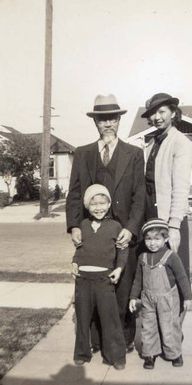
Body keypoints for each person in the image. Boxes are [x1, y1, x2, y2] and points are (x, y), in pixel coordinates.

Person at [66, 94, 146, 352]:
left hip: (123, 233)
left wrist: (131, 228)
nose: (108, 124)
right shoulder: (83, 154)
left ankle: (122, 341)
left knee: (122, 288)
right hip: (93, 234)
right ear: (96, 123)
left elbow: (139, 195)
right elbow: (75, 193)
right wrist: (75, 226)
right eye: (102, 119)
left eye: (112, 118)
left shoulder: (133, 154)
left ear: (119, 120)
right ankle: (97, 340)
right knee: (93, 285)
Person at [141, 93, 192, 292]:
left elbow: (180, 189)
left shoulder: (180, 142)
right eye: (153, 114)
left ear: (173, 113)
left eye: (162, 111)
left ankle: (175, 319)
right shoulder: (153, 142)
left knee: (174, 271)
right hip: (152, 215)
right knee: (155, 270)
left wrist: (174, 226)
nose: (157, 117)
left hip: (170, 219)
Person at [72, 184, 128, 369]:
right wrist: (74, 263)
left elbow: (122, 251)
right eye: (93, 203)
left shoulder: (115, 226)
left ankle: (116, 356)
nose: (98, 207)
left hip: (105, 280)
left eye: (102, 203)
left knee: (109, 319)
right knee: (83, 318)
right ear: (87, 206)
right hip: (83, 280)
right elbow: (79, 251)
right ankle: (81, 353)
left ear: (109, 204)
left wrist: (118, 269)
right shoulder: (83, 226)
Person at [129, 218, 192, 369]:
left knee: (169, 326)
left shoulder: (171, 256)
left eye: (157, 239)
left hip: (168, 299)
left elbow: (182, 278)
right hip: (147, 298)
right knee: (148, 326)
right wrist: (133, 297)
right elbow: (138, 279)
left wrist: (188, 298)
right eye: (148, 239)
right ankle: (150, 354)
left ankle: (174, 353)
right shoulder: (142, 257)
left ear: (166, 239)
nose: (152, 243)